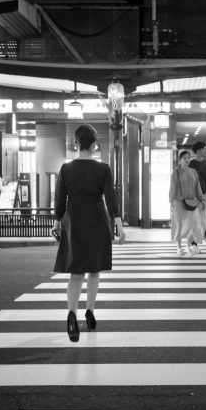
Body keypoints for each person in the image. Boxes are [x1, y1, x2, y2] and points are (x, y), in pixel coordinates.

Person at [51, 124, 126, 343]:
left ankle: (72, 315)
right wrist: (119, 226)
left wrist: (57, 222)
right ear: (95, 145)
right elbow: (111, 199)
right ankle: (90, 312)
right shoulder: (103, 169)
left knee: (76, 273)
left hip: (74, 221)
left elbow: (60, 200)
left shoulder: (66, 169)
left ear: (76, 144)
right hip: (97, 220)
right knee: (94, 270)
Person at [169, 150, 205, 255]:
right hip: (179, 203)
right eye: (184, 158)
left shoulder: (193, 172)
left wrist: (201, 199)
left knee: (194, 225)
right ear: (180, 160)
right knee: (180, 225)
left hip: (192, 202)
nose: (187, 160)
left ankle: (188, 245)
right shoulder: (176, 172)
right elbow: (172, 188)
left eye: (188, 158)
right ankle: (179, 247)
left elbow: (197, 186)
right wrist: (171, 202)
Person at [189, 141, 206, 253]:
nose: (205, 150)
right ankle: (192, 243)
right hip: (191, 196)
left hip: (204, 196)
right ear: (199, 150)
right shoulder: (190, 163)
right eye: (204, 148)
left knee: (202, 221)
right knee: (193, 220)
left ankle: (194, 242)